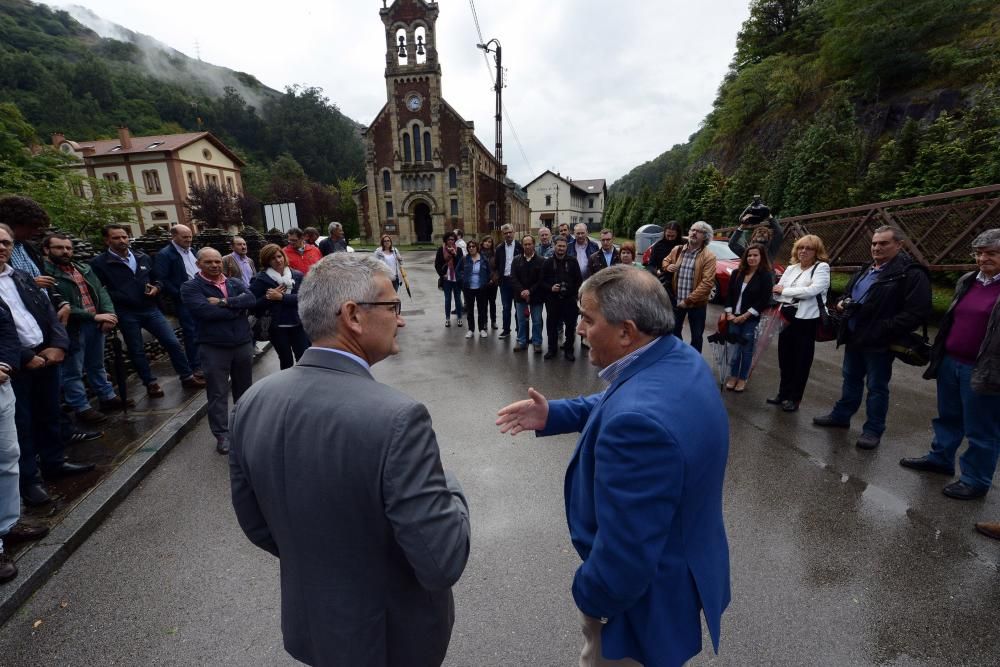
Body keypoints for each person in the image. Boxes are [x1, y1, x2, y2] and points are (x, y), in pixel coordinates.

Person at [230, 253, 471, 667]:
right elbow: (442, 561)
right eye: (392, 306)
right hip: (389, 641)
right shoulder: (399, 419)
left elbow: (257, 525)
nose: (401, 319)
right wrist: (449, 483)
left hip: (315, 629)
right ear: (353, 316)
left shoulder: (253, 400)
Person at [496, 265, 730, 667]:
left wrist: (589, 593)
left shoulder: (637, 425)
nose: (580, 329)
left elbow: (627, 554)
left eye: (588, 319)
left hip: (639, 609)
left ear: (626, 331)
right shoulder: (675, 358)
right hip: (684, 565)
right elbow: (621, 399)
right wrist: (555, 414)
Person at [899, 229, 1000, 499]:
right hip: (951, 361)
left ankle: (975, 480)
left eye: (991, 253)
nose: (983, 258)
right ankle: (940, 459)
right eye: (979, 253)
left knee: (982, 428)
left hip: (984, 368)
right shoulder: (968, 280)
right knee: (948, 417)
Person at [813, 226, 932, 450]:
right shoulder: (867, 268)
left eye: (883, 243)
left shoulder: (910, 273)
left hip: (880, 342)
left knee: (877, 387)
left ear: (899, 245)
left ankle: (873, 430)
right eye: (874, 243)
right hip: (855, 336)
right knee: (850, 378)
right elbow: (849, 294)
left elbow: (917, 312)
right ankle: (841, 415)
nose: (877, 247)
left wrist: (882, 329)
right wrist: (842, 303)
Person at [0, 225, 94, 508]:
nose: (2, 247)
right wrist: (26, 355)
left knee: (50, 413)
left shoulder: (22, 276)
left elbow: (49, 313)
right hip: (15, 366)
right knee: (22, 425)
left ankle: (55, 461)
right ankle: (30, 480)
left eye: (5, 242)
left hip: (47, 356)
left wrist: (59, 345)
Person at [90, 225, 204, 398]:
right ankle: (150, 382)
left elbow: (157, 278)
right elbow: (99, 290)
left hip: (150, 308)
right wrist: (121, 297)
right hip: (126, 312)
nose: (122, 240)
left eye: (124, 236)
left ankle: (187, 376)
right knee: (136, 349)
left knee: (172, 342)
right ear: (107, 240)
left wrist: (157, 287)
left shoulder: (141, 257)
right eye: (116, 238)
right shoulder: (99, 263)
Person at [43, 233, 131, 423]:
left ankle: (107, 396)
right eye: (59, 248)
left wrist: (109, 314)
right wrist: (94, 315)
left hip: (95, 325)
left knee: (96, 364)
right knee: (72, 370)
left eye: (68, 248)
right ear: (46, 250)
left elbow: (101, 291)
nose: (65, 251)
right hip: (72, 328)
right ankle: (81, 407)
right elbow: (57, 304)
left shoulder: (83, 268)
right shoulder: (47, 274)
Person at [180, 248, 257, 455]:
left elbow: (251, 300)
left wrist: (225, 303)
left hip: (241, 343)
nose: (214, 265)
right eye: (208, 262)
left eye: (217, 261)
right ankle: (222, 434)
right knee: (218, 392)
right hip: (213, 346)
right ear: (198, 264)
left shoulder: (233, 282)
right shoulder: (191, 287)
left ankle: (244, 428)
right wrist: (237, 311)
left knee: (245, 390)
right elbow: (203, 312)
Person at [769, 235, 832, 412]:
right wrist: (789, 292)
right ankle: (783, 393)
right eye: (800, 247)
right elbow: (775, 292)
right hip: (786, 317)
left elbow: (812, 291)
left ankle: (794, 399)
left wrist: (786, 291)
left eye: (808, 248)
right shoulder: (791, 268)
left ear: (816, 251)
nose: (803, 251)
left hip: (807, 320)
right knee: (784, 358)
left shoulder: (822, 267)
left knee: (801, 361)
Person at [249, 244, 310, 371]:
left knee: (304, 359)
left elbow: (305, 298)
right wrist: (267, 298)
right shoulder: (260, 279)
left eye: (279, 256)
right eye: (272, 258)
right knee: (286, 360)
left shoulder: (297, 275)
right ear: (266, 261)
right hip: (277, 328)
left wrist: (282, 297)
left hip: (298, 325)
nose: (278, 260)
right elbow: (252, 304)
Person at [154, 224, 202, 379]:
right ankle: (196, 366)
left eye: (190, 236)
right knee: (191, 332)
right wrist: (180, 294)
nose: (189, 239)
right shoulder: (165, 254)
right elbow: (162, 278)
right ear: (173, 236)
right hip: (184, 299)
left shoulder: (192, 251)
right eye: (185, 237)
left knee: (202, 330)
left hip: (200, 296)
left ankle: (203, 361)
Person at [723, 244, 774, 392]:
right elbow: (729, 295)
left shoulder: (765, 275)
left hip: (750, 319)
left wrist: (745, 315)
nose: (752, 258)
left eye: (755, 255)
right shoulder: (737, 273)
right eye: (749, 255)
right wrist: (729, 314)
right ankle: (733, 376)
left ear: (761, 257)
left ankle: (743, 378)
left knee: (746, 350)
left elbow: (763, 299)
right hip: (733, 318)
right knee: (734, 349)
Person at [664, 221, 717, 353]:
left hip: (696, 304)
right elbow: (666, 260)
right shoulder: (678, 250)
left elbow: (707, 283)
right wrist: (667, 266)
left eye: (698, 231)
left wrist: (688, 301)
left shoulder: (709, 256)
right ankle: (679, 356)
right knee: (674, 333)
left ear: (705, 236)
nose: (693, 233)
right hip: (677, 301)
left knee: (697, 337)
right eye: (692, 230)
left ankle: (694, 363)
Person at [540, 235, 582, 361]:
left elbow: (579, 280)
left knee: (570, 326)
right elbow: (541, 281)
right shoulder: (547, 262)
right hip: (552, 300)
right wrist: (550, 288)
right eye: (559, 246)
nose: (561, 249)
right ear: (554, 246)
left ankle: (569, 350)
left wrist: (571, 291)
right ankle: (552, 349)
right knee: (551, 325)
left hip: (569, 300)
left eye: (563, 246)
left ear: (566, 247)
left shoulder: (573, 261)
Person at [511, 235, 545, 353]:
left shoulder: (541, 260)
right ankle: (521, 341)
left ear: (534, 244)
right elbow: (513, 278)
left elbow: (541, 280)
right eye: (525, 244)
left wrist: (530, 291)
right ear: (522, 245)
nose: (527, 246)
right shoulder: (516, 260)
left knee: (536, 320)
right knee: (521, 320)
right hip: (520, 296)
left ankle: (537, 342)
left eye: (529, 244)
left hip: (536, 296)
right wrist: (522, 291)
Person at [494, 224, 522, 339]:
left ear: (514, 232)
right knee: (506, 307)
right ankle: (506, 330)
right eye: (505, 233)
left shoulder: (520, 247)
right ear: (503, 235)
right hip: (504, 281)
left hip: (517, 282)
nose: (508, 235)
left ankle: (519, 330)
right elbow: (496, 264)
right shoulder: (499, 248)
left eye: (510, 232)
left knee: (518, 307)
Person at [458, 239, 490, 338]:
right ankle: (471, 329)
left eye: (473, 246)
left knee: (481, 310)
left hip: (481, 288)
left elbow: (489, 272)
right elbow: (458, 271)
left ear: (477, 247)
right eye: (469, 247)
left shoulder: (484, 259)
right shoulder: (464, 259)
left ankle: (481, 329)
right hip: (468, 288)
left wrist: (486, 281)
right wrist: (463, 280)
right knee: (470, 310)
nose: (471, 248)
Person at [435, 232, 464, 328]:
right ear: (446, 240)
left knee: (458, 299)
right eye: (449, 239)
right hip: (446, 279)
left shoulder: (458, 250)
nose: (451, 241)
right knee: (447, 299)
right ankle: (447, 319)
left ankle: (459, 318)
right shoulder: (441, 250)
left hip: (457, 279)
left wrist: (455, 254)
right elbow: (437, 264)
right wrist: (442, 274)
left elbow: (461, 263)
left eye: (452, 239)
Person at [479, 235, 499, 330]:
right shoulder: (478, 254)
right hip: (482, 283)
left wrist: (493, 279)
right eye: (486, 241)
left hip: (493, 283)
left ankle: (493, 321)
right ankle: (485, 322)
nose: (487, 243)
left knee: (492, 303)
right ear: (482, 242)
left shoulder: (495, 254)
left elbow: (498, 269)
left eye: (490, 242)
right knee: (483, 303)